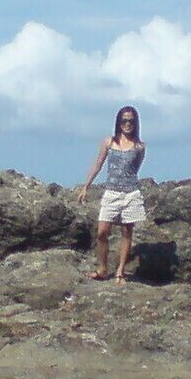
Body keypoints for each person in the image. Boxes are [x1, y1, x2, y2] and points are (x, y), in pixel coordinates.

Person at [75, 105, 147, 281]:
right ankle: (102, 268)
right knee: (102, 232)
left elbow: (135, 169)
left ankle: (120, 272)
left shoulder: (139, 147)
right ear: (118, 122)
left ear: (136, 123)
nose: (127, 124)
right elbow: (98, 165)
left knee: (126, 232)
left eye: (131, 121)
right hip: (111, 192)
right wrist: (86, 186)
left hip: (130, 193)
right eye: (124, 120)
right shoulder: (109, 142)